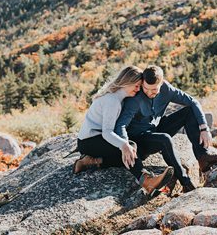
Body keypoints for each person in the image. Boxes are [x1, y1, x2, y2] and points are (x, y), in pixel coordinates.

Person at [114, 65, 217, 193]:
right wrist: (125, 145)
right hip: (141, 140)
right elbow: (121, 125)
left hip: (156, 128)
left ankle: (203, 157)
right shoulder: (135, 99)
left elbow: (193, 102)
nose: (148, 92)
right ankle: (186, 182)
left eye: (154, 90)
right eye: (145, 88)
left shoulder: (167, 90)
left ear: (161, 83)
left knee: (189, 111)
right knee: (165, 139)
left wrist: (204, 129)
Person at [73, 65, 174, 196]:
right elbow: (107, 132)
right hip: (89, 141)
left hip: (98, 139)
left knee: (136, 152)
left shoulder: (119, 98)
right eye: (136, 86)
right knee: (129, 148)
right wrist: (124, 145)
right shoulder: (113, 100)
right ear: (127, 82)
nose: (138, 90)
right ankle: (146, 181)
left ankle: (91, 161)